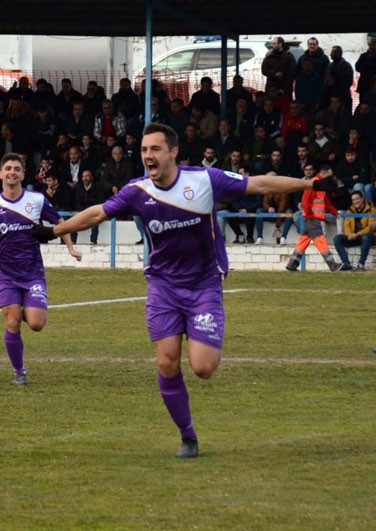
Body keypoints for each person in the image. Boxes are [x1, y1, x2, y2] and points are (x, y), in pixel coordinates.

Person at [31, 122, 336, 458]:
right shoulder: (137, 191)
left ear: (173, 152)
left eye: (155, 149)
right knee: (167, 363)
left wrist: (311, 183)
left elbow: (261, 183)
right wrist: (54, 230)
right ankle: (187, 436)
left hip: (204, 284)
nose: (148, 155)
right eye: (145, 150)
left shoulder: (204, 180)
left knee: (203, 368)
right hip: (163, 286)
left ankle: (207, 333)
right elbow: (97, 213)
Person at [0, 153, 82, 385]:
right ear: (1, 173)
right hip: (5, 271)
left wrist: (71, 248)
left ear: (23, 174)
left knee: (36, 323)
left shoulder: (37, 200)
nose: (12, 172)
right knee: (12, 321)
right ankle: (19, 372)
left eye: (17, 169)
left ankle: (27, 306)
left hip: (32, 270)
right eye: (8, 168)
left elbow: (59, 223)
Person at [286, 165, 342, 272]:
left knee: (303, 241)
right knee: (320, 240)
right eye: (329, 175)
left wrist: (334, 212)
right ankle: (332, 265)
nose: (331, 177)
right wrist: (310, 214)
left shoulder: (319, 184)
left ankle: (292, 264)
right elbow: (305, 200)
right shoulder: (314, 183)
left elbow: (325, 201)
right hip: (312, 218)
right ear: (324, 173)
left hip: (311, 218)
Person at [333, 190, 376, 271]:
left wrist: (357, 234)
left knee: (366, 237)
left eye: (357, 199)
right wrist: (349, 234)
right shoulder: (350, 210)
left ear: (362, 199)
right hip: (354, 237)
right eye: (353, 200)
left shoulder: (372, 209)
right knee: (337, 239)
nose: (355, 201)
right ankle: (346, 263)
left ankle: (361, 264)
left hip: (367, 237)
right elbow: (346, 225)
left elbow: (370, 228)